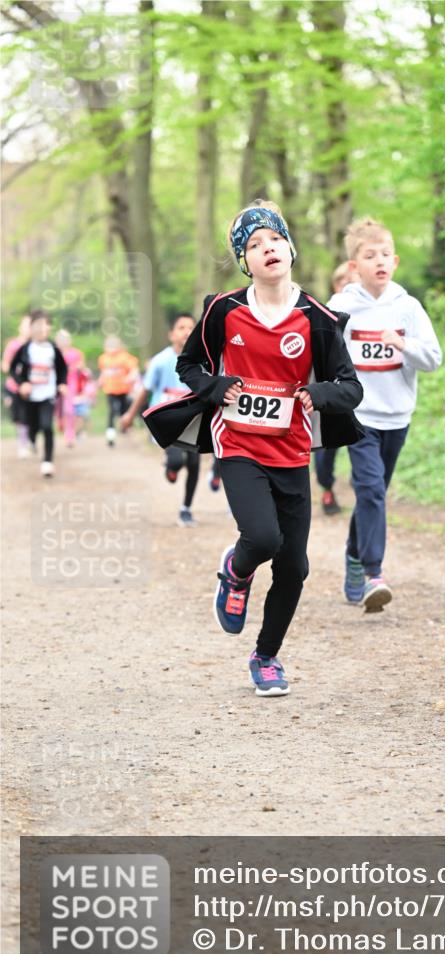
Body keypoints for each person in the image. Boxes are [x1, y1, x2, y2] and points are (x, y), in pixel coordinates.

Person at [143, 200, 363, 696]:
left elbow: (351, 387)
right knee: (262, 539)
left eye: (274, 240)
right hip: (238, 442)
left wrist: (318, 394)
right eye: (254, 245)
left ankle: (266, 657)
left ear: (291, 247)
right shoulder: (223, 310)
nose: (267, 249)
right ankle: (236, 570)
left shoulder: (319, 317)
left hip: (292, 450)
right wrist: (216, 387)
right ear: (245, 262)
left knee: (295, 566)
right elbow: (189, 367)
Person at [329, 216, 442, 612]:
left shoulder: (408, 307)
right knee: (371, 490)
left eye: (385, 254)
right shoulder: (341, 307)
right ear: (354, 266)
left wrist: (404, 345)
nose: (379, 260)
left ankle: (354, 556)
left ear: (395, 262)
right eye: (369, 254)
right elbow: (322, 355)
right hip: (357, 416)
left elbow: (433, 358)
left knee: (372, 495)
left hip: (397, 417)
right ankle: (375, 572)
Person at [120, 313, 200, 527]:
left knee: (193, 463)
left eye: (191, 328)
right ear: (171, 334)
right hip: (168, 421)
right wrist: (129, 414)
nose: (187, 332)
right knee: (176, 461)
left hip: (192, 421)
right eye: (182, 327)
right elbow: (145, 390)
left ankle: (186, 509)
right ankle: (171, 466)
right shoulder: (160, 361)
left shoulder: (201, 359)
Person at [313, 262, 361, 517]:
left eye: (353, 281)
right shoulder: (327, 313)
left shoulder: (367, 313)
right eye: (344, 281)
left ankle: (360, 484)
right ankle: (326, 486)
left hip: (359, 393)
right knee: (327, 448)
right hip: (331, 390)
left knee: (360, 441)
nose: (348, 286)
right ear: (335, 285)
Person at [10, 310, 67, 476]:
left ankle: (47, 462)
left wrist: (62, 383)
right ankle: (32, 440)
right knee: (33, 425)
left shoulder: (53, 349)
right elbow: (14, 369)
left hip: (48, 394)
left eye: (47, 325)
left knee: (47, 426)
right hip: (30, 397)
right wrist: (22, 384)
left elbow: (62, 368)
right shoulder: (25, 348)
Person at [97, 335, 138, 446]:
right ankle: (110, 435)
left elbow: (134, 370)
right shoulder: (103, 358)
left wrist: (129, 378)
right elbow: (103, 373)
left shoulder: (125, 357)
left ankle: (125, 428)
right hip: (110, 390)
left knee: (123, 411)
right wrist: (99, 382)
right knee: (112, 410)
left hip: (123, 390)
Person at [2, 313, 31, 457]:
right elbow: (5, 365)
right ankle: (24, 441)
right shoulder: (13, 345)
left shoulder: (36, 345)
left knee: (29, 415)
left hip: (32, 388)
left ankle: (26, 441)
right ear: (20, 328)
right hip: (14, 387)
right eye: (26, 325)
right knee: (18, 417)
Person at [54, 329, 88, 448]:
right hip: (56, 384)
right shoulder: (54, 353)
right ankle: (60, 424)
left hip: (71, 384)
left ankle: (69, 436)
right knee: (57, 410)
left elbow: (82, 366)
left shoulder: (75, 353)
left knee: (69, 410)